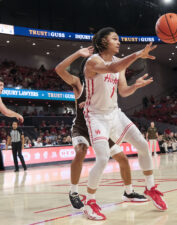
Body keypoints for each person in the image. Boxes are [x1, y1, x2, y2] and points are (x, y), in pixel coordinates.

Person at [82, 27, 166, 220]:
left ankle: (150, 187)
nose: (119, 42)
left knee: (143, 145)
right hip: (96, 116)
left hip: (115, 114)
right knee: (103, 158)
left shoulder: (118, 65)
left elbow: (123, 91)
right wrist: (138, 54)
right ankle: (90, 203)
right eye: (114, 39)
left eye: (119, 39)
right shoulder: (93, 61)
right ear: (103, 42)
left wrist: (134, 86)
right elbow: (112, 68)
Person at [55, 46, 147, 212]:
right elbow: (59, 69)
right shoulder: (78, 83)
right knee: (81, 150)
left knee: (123, 159)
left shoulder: (104, 84)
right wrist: (77, 53)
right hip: (83, 128)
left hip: (102, 126)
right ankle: (74, 191)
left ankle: (129, 192)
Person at [0, 76, 24, 199]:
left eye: (3, 85)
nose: (3, 87)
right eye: (0, 85)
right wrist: (17, 114)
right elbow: (5, 111)